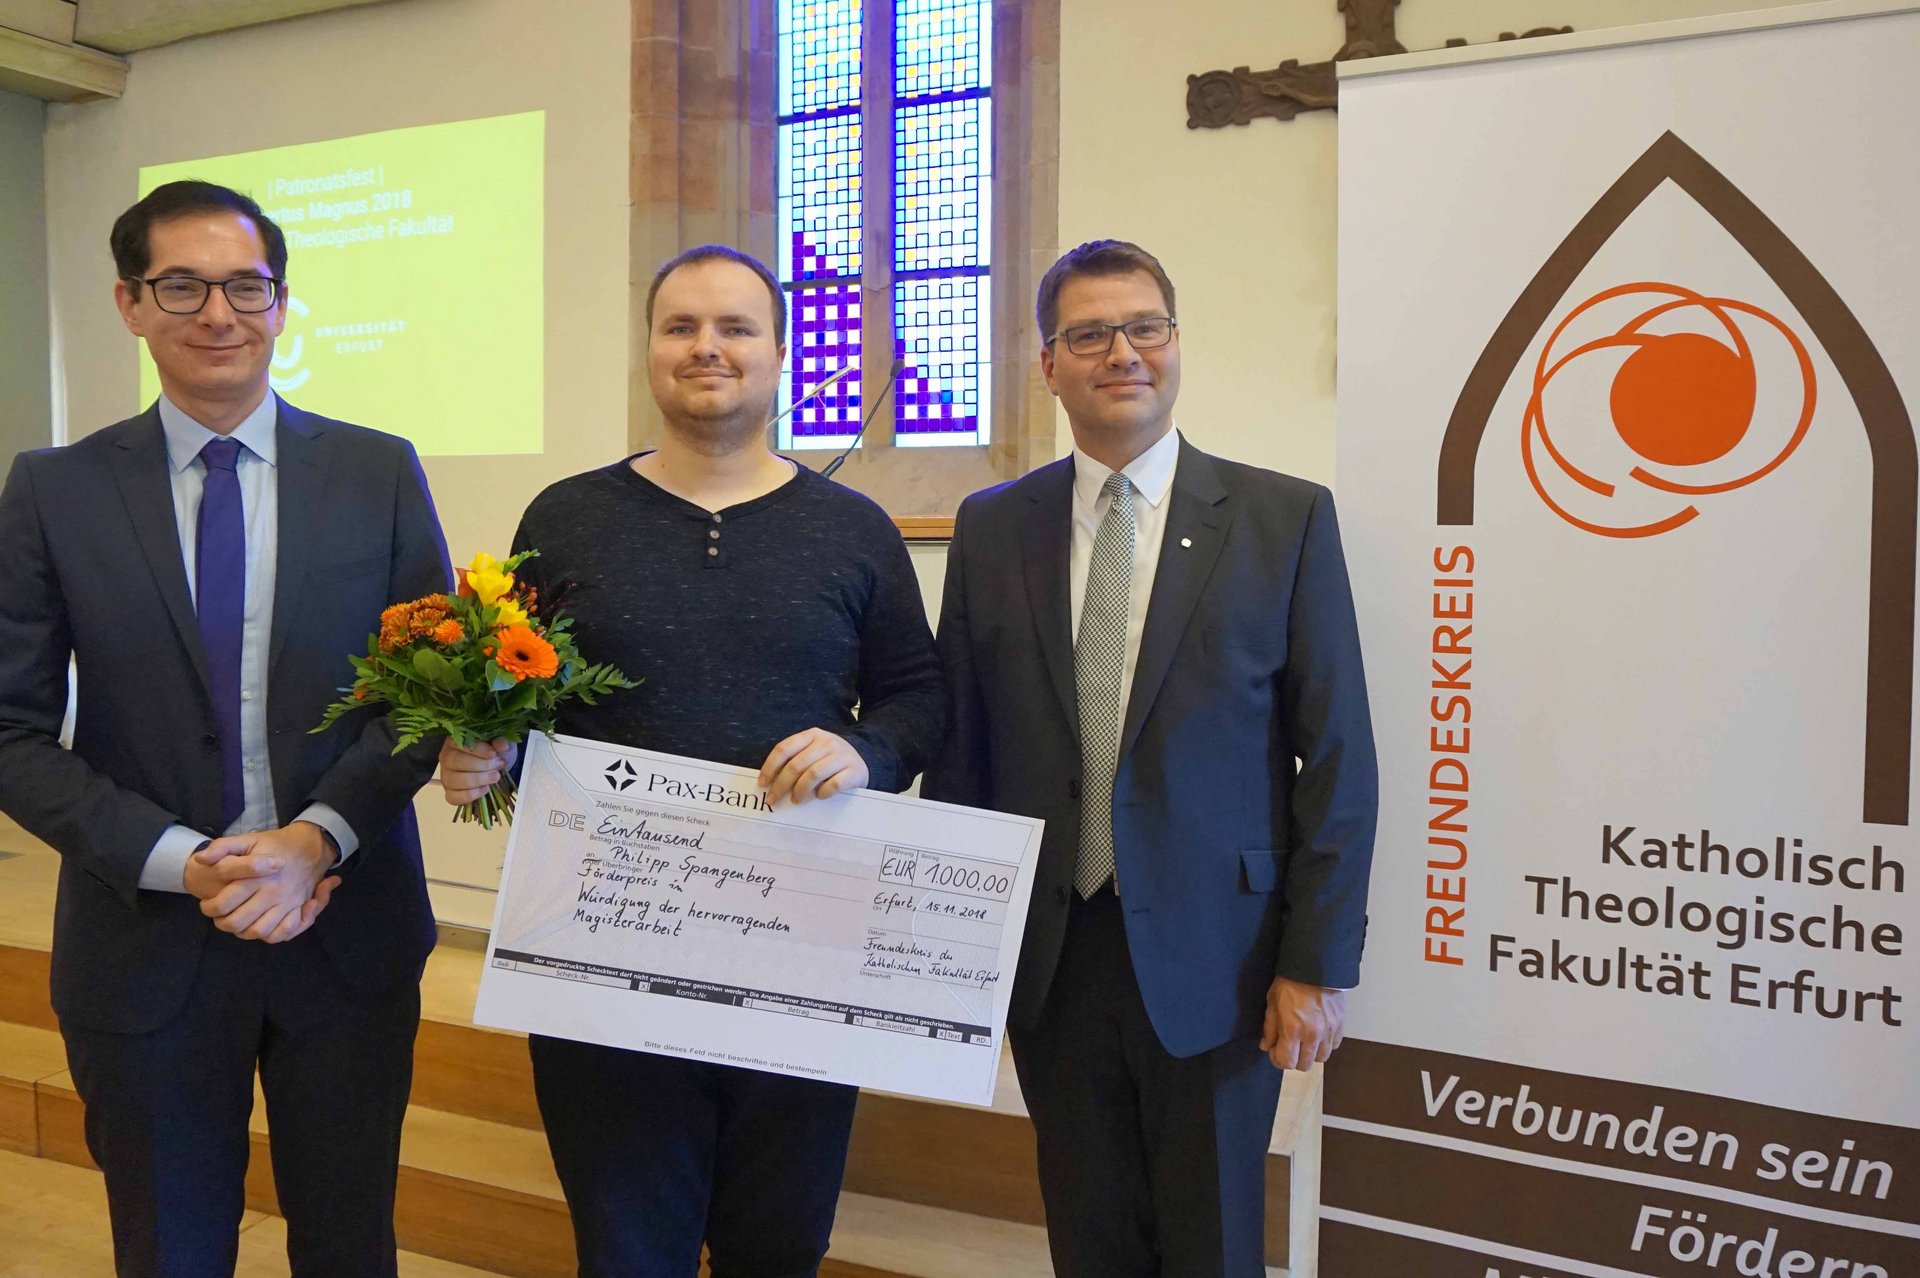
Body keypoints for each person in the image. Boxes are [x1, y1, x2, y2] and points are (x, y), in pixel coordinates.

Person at [439, 244, 945, 1278]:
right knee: (628, 1248)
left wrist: (865, 750)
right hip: (601, 941)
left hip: (797, 940)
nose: (706, 347)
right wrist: (484, 751)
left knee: (779, 1245)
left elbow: (920, 697)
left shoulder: (855, 531)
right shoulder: (565, 517)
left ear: (781, 352)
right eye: (681, 326)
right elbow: (513, 697)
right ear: (650, 351)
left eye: (735, 327)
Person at [0, 180, 451, 1277]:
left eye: (246, 286)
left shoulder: (378, 470)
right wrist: (180, 860)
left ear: (281, 304)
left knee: (349, 1245)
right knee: (169, 1249)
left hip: (345, 932)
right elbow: (8, 728)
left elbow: (428, 696)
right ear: (130, 303)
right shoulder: (55, 489)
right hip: (144, 943)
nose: (219, 313)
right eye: (182, 286)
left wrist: (315, 841)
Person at [922, 239, 1378, 1277]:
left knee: (1212, 1245)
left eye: (1144, 327)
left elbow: (1338, 757)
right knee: (1090, 1240)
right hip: (1052, 955)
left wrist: (1317, 964)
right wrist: (956, 947)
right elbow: (963, 752)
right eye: (1088, 335)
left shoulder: (1283, 518)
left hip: (1223, 957)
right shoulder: (993, 527)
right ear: (1049, 365)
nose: (1121, 353)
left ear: (1176, 343)